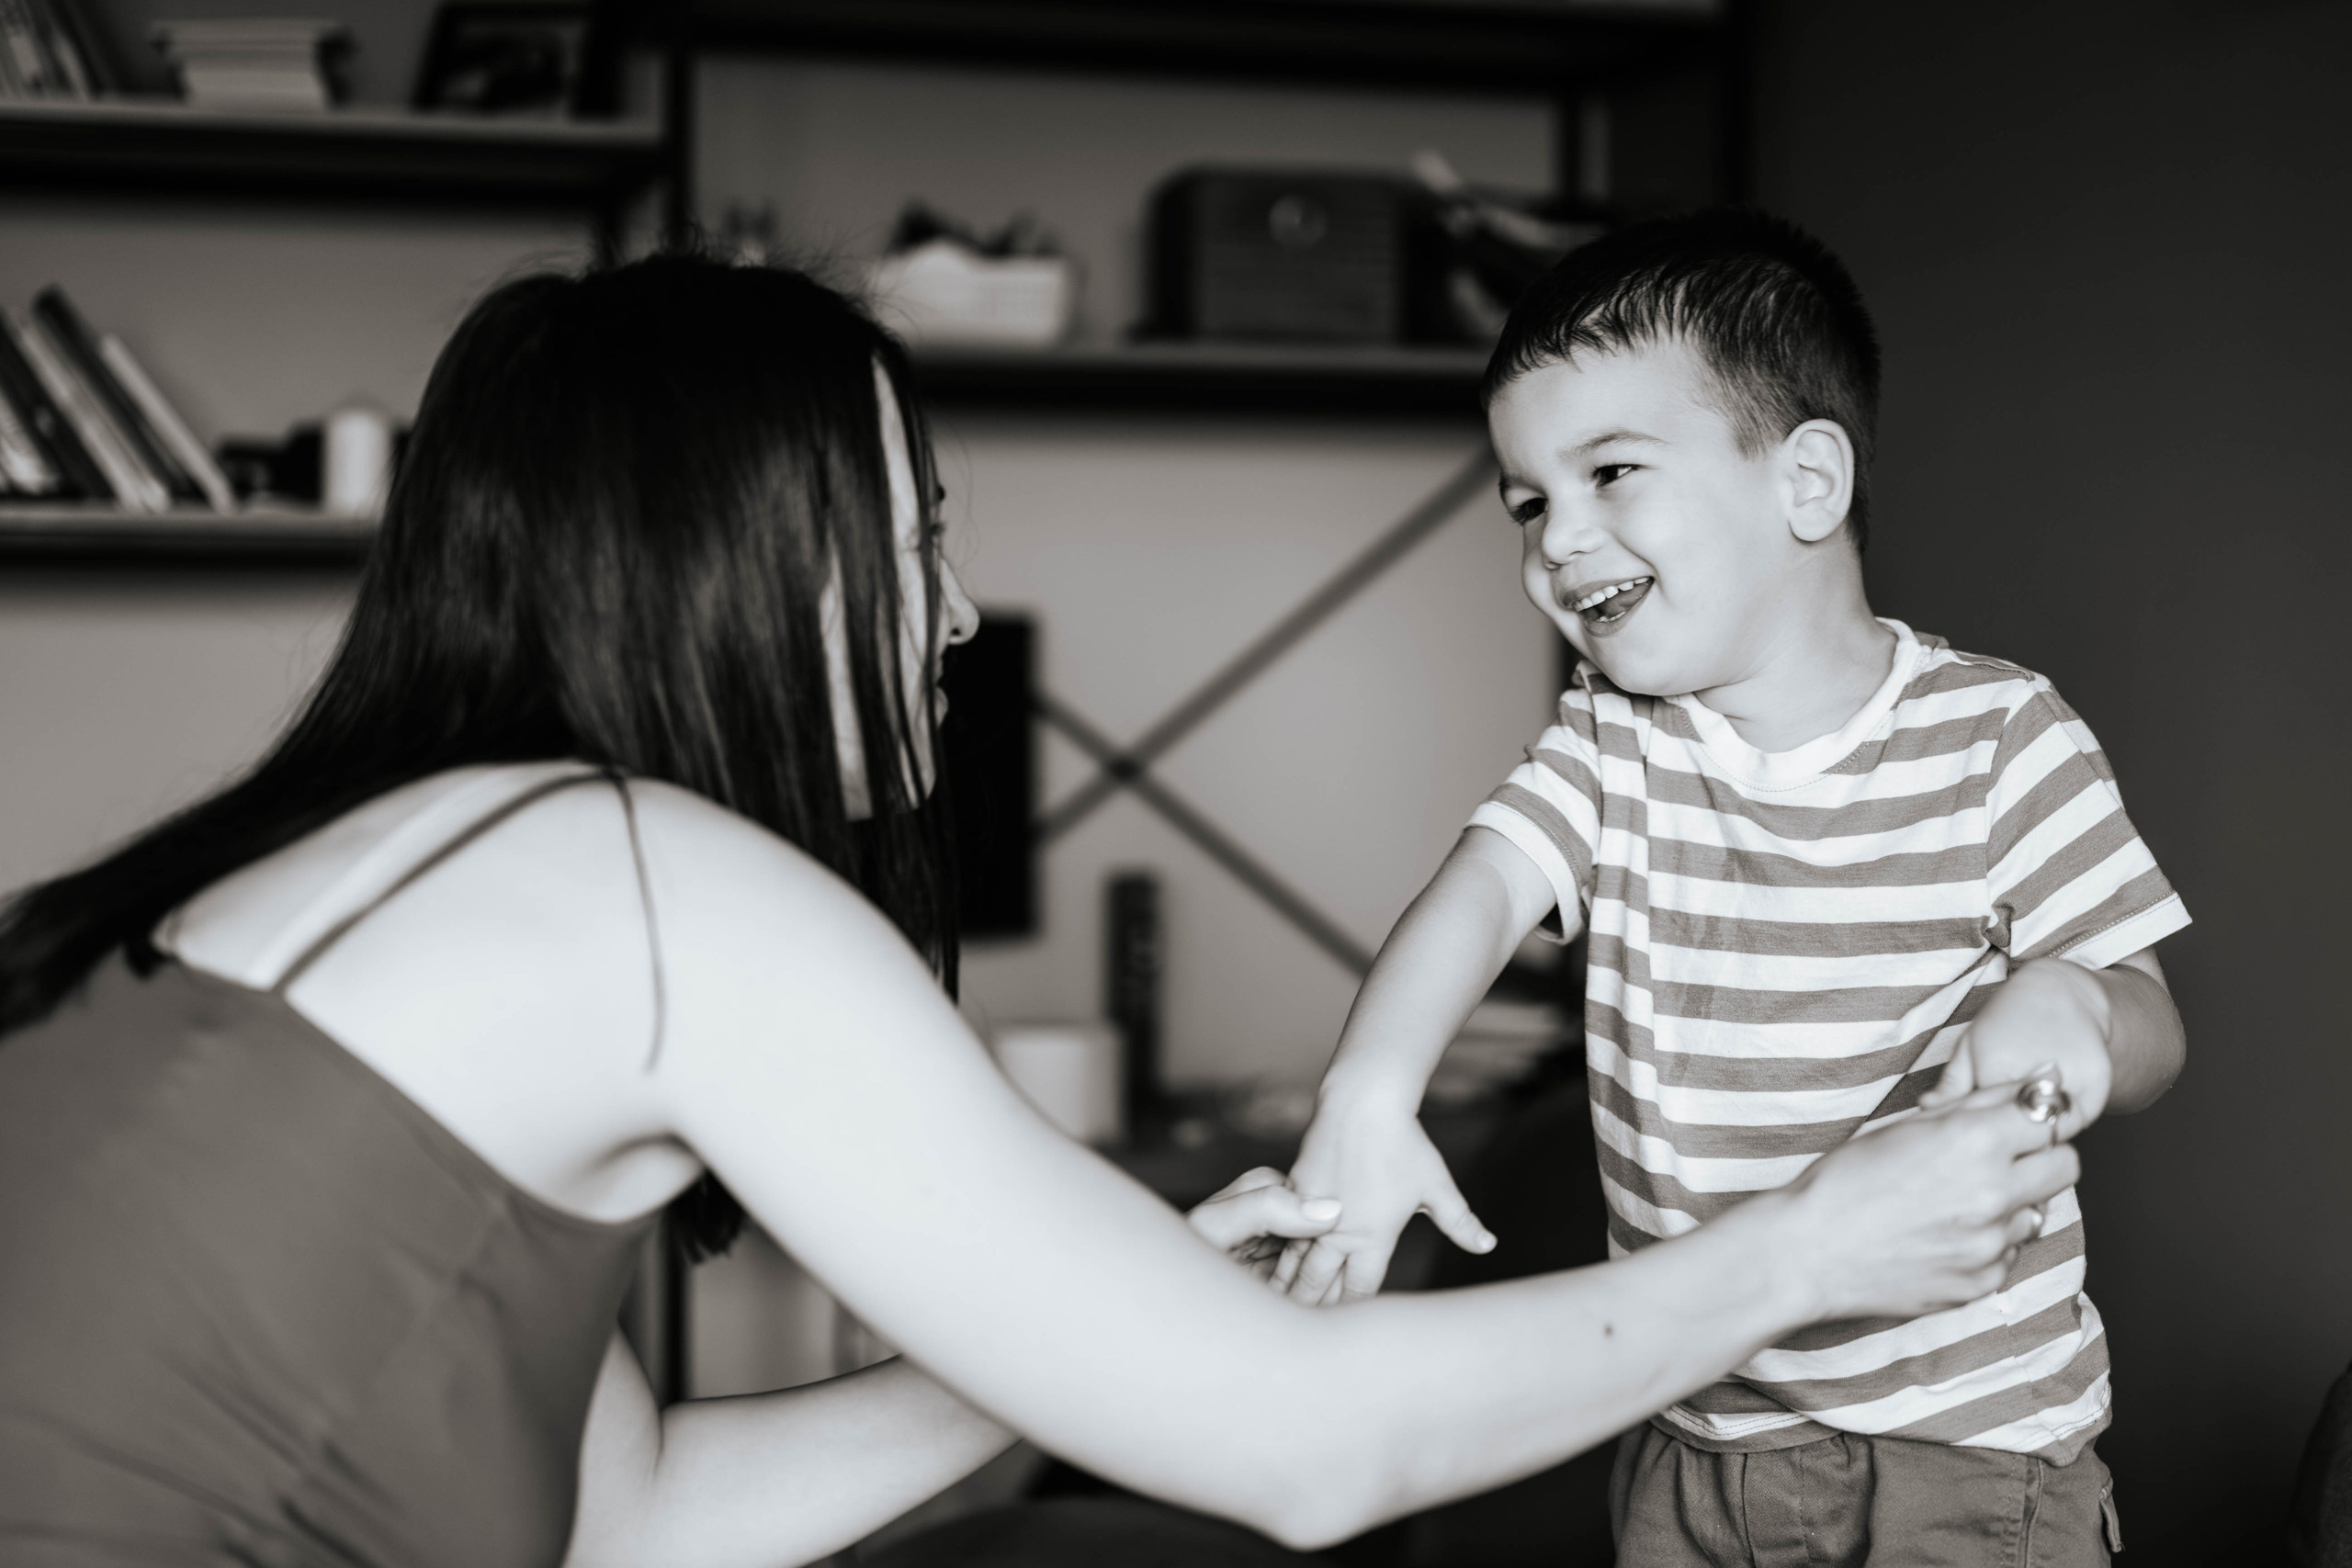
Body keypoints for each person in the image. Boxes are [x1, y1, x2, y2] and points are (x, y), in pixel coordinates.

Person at [0, 254, 2081, 1568]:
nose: (958, 612)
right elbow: (1304, 1458)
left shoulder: (388, 862)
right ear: (742, 558)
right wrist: (1808, 1246)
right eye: (910, 537)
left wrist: (1089, 1329)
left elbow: (625, 1517)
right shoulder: (640, 876)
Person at [1274, 210, 2188, 1565]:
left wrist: (2078, 1005)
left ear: (1806, 482)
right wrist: (1367, 1093)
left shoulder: (2003, 737)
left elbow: (2155, 1022)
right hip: (1696, 1432)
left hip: (1975, 1448)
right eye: (1529, 502)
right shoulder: (1612, 743)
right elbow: (1476, 895)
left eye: (1611, 473)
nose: (1556, 542)